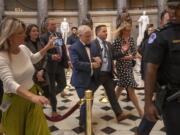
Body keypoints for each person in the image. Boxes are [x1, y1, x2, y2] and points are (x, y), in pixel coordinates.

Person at [0, 16, 55, 135]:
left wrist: (47, 47)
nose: (24, 35)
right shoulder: (2, 56)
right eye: (20, 33)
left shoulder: (23, 48)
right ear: (10, 36)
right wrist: (33, 97)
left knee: (39, 131)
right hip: (14, 101)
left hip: (32, 95)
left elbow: (33, 59)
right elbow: (10, 83)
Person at [144, 1, 180, 135]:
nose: (174, 12)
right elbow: (150, 69)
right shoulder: (160, 36)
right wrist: (148, 104)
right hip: (173, 99)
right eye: (171, 7)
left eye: (179, 8)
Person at [136, 10, 170, 135]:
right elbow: (149, 68)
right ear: (161, 22)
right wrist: (150, 98)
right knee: (148, 121)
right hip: (165, 90)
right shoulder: (157, 38)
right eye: (168, 19)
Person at [91, 25, 130, 122]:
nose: (106, 33)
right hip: (97, 75)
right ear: (98, 33)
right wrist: (93, 59)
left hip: (107, 74)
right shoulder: (92, 44)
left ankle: (119, 114)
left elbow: (113, 56)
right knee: (89, 95)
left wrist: (123, 51)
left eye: (106, 31)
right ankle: (85, 117)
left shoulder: (108, 44)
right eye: (104, 31)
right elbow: (88, 55)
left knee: (112, 95)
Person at [69, 25, 101, 131]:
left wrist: (98, 59)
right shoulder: (73, 47)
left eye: (90, 36)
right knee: (86, 103)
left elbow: (96, 55)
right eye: (87, 36)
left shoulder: (92, 44)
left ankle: (84, 121)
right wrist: (91, 65)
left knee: (89, 102)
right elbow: (76, 64)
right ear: (80, 36)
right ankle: (84, 125)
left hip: (92, 79)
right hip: (80, 80)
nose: (89, 38)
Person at [112, 21, 143, 117]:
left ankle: (114, 105)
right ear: (122, 31)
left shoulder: (131, 39)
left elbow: (134, 52)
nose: (129, 32)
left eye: (130, 30)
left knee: (120, 87)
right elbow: (115, 56)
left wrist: (141, 56)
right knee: (131, 89)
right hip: (121, 66)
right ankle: (140, 111)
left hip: (129, 66)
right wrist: (127, 57)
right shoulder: (117, 40)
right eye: (127, 31)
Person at [40, 18, 69, 119]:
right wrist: (51, 56)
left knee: (63, 84)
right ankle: (54, 110)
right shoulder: (43, 37)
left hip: (60, 65)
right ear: (47, 26)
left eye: (55, 24)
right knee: (52, 88)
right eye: (52, 24)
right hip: (50, 66)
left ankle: (48, 98)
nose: (54, 26)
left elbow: (61, 48)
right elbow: (42, 52)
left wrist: (66, 59)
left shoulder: (58, 35)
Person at [25, 24, 50, 104]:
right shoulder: (25, 44)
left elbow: (45, 57)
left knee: (46, 93)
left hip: (43, 72)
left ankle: (40, 112)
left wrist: (42, 70)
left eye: (37, 31)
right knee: (34, 95)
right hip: (32, 74)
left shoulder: (41, 42)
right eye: (33, 31)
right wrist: (37, 72)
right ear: (28, 33)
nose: (36, 32)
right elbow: (28, 60)